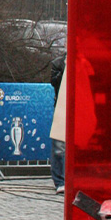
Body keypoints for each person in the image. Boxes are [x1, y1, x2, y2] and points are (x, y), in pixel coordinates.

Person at [49, 54, 66, 194]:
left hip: (81, 107)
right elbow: (55, 83)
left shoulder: (84, 62)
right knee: (59, 146)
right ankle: (60, 181)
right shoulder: (58, 63)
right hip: (62, 106)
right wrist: (66, 68)